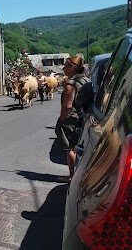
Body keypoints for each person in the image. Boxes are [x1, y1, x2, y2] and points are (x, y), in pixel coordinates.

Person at [55, 55, 90, 183]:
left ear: (72, 68)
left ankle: (72, 176)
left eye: (66, 66)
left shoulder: (72, 84)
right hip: (84, 118)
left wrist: (62, 120)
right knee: (81, 147)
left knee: (70, 147)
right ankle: (80, 175)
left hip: (72, 120)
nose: (63, 68)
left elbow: (67, 105)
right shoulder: (86, 80)